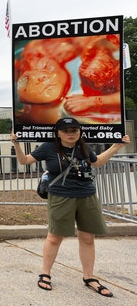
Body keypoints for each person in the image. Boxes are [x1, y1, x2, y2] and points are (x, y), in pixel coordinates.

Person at [11, 117, 130, 297]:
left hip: (87, 194)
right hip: (61, 195)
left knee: (88, 237)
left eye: (74, 130)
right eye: (66, 130)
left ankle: (89, 277)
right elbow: (25, 161)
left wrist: (116, 146)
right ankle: (45, 274)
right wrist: (17, 144)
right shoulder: (49, 147)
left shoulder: (82, 146)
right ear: (58, 133)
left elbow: (96, 162)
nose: (70, 134)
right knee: (55, 236)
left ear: (79, 131)